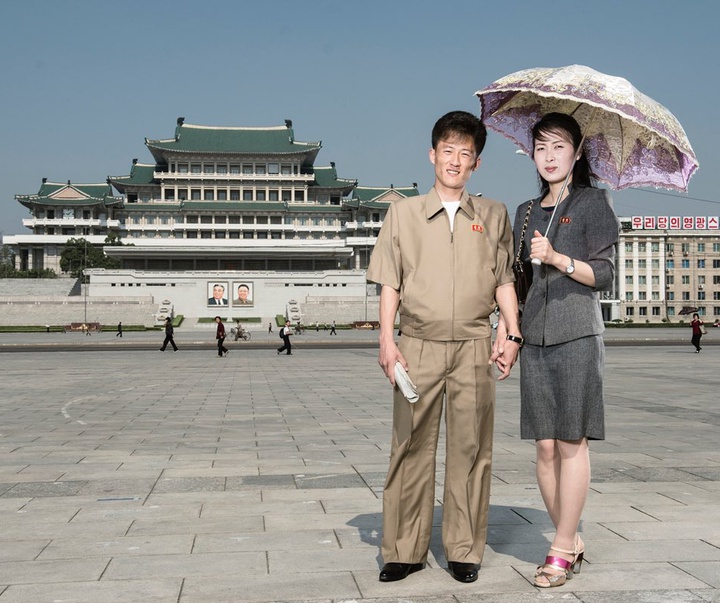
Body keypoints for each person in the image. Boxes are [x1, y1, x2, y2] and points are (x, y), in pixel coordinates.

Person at [366, 110, 520, 584]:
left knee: (471, 449)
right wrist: (387, 340)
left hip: (475, 346)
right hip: (418, 347)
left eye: (466, 153)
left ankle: (463, 549)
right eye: (448, 150)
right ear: (432, 154)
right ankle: (403, 549)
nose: (456, 160)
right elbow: (390, 282)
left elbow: (504, 281)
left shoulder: (492, 214)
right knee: (409, 446)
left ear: (477, 163)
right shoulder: (404, 213)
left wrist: (510, 333)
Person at [512, 112, 620, 588]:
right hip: (534, 336)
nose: (549, 156)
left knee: (571, 441)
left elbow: (605, 275)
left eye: (559, 146)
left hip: (577, 334)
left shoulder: (594, 203)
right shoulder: (526, 212)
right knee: (544, 445)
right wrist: (509, 334)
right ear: (532, 155)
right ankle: (570, 538)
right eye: (541, 147)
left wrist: (558, 258)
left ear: (577, 153)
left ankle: (558, 548)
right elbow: (519, 282)